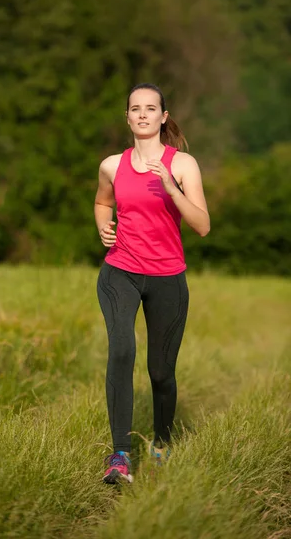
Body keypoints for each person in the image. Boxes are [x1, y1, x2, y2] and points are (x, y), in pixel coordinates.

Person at [95, 83, 210, 484]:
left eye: (150, 108)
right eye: (135, 108)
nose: (142, 114)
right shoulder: (112, 164)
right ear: (127, 117)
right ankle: (120, 456)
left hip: (168, 278)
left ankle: (161, 444)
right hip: (120, 271)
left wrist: (170, 187)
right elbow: (102, 201)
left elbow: (202, 226)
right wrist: (102, 227)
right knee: (122, 350)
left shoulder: (183, 165)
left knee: (161, 372)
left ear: (163, 117)